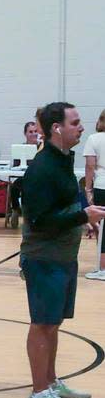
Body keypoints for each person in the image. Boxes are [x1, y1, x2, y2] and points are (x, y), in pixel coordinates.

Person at [20, 102, 105, 398]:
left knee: (53, 323)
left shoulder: (63, 161)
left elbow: (64, 206)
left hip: (63, 257)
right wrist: (81, 214)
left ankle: (51, 381)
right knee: (42, 323)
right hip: (44, 258)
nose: (81, 127)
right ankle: (38, 393)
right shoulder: (42, 168)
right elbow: (40, 219)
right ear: (57, 128)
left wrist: (83, 218)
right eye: (75, 122)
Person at [84, 110, 105, 280]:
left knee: (102, 228)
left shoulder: (94, 139)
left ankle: (102, 267)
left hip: (102, 186)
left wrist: (88, 189)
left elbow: (90, 166)